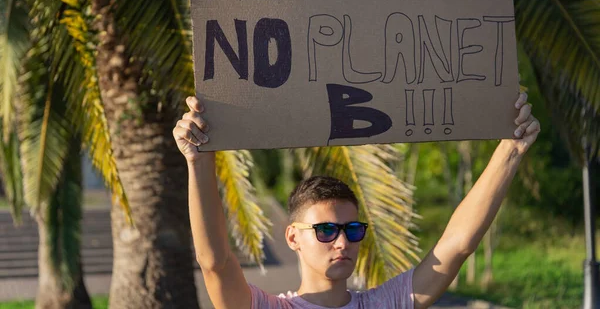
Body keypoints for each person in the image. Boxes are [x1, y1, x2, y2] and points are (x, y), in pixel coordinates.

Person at [173, 92, 540, 309]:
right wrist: (198, 160)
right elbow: (216, 264)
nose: (343, 242)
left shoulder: (384, 304)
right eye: (327, 230)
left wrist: (512, 150)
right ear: (292, 237)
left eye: (352, 229)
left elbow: (456, 247)